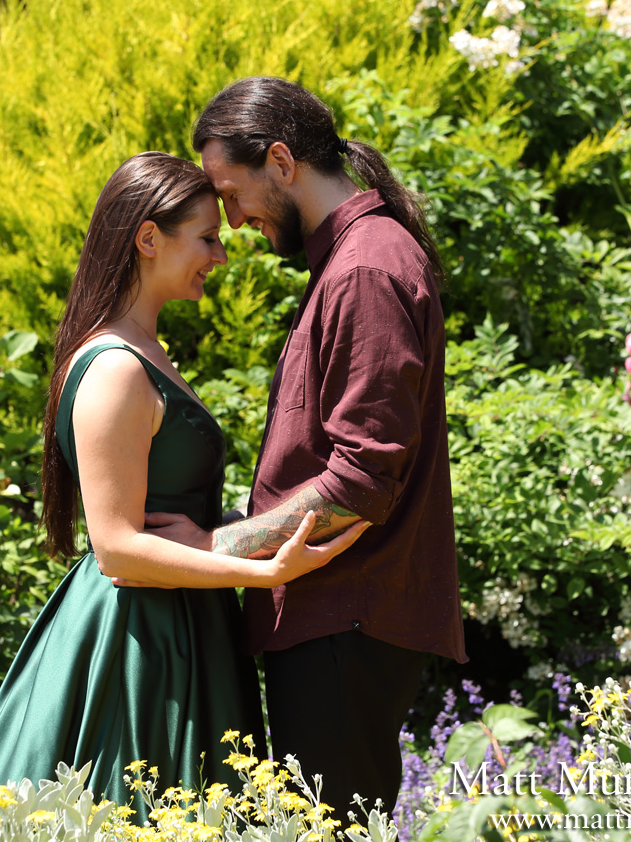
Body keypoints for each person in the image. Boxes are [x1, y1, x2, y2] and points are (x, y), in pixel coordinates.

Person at [0, 151, 368, 809]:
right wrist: (260, 574)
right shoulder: (117, 368)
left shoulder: (142, 352)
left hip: (180, 624)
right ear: (148, 238)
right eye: (206, 238)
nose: (221, 255)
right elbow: (116, 548)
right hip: (139, 642)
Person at [131, 77, 467, 816]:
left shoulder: (367, 269)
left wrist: (220, 547)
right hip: (333, 622)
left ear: (280, 162)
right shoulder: (349, 261)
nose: (231, 219)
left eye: (230, 192)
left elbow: (360, 481)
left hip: (345, 622)